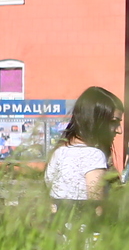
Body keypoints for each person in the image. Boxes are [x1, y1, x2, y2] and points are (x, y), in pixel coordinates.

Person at [44, 86, 122, 215]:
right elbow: (97, 210)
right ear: (96, 120)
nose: (119, 130)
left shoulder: (59, 152)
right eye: (114, 122)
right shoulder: (93, 155)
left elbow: (52, 203)